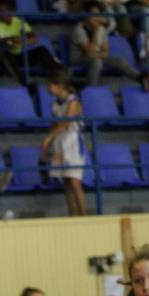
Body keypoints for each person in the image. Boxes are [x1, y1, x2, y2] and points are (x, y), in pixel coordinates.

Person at [41, 68, 88, 216]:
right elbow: (55, 125)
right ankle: (72, 214)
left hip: (72, 141)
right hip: (60, 142)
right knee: (66, 182)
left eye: (50, 85)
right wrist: (48, 142)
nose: (47, 88)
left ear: (60, 85)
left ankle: (84, 215)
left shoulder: (73, 101)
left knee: (74, 180)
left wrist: (48, 138)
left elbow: (65, 124)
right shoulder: (54, 104)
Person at [71, 1, 149, 87]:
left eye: (98, 15)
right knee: (97, 62)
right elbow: (89, 52)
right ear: (86, 15)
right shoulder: (79, 29)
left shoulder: (101, 28)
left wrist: (101, 53)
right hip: (79, 59)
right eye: (92, 14)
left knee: (119, 61)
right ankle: (91, 88)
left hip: (97, 55)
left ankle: (140, 78)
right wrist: (96, 31)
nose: (96, 18)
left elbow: (106, 50)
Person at [0, 0, 60, 79]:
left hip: (18, 56)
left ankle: (58, 74)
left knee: (42, 50)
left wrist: (21, 43)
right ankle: (23, 81)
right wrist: (9, 40)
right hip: (3, 59)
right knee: (4, 53)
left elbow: (34, 38)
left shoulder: (19, 22)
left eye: (2, 11)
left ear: (11, 11)